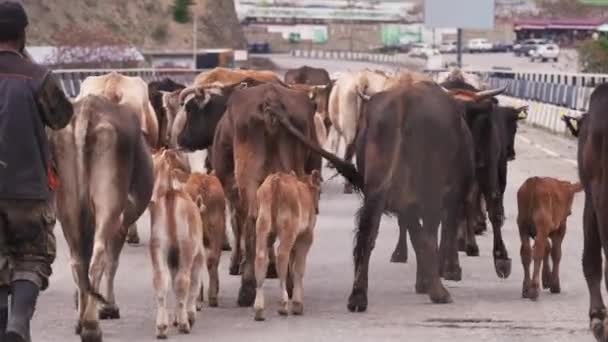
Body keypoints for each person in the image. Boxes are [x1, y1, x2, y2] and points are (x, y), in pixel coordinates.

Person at [0, 1, 74, 341]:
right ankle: (18, 321)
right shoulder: (37, 77)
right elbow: (61, 117)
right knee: (32, 258)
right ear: (23, 33)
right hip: (29, 189)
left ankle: (7, 328)